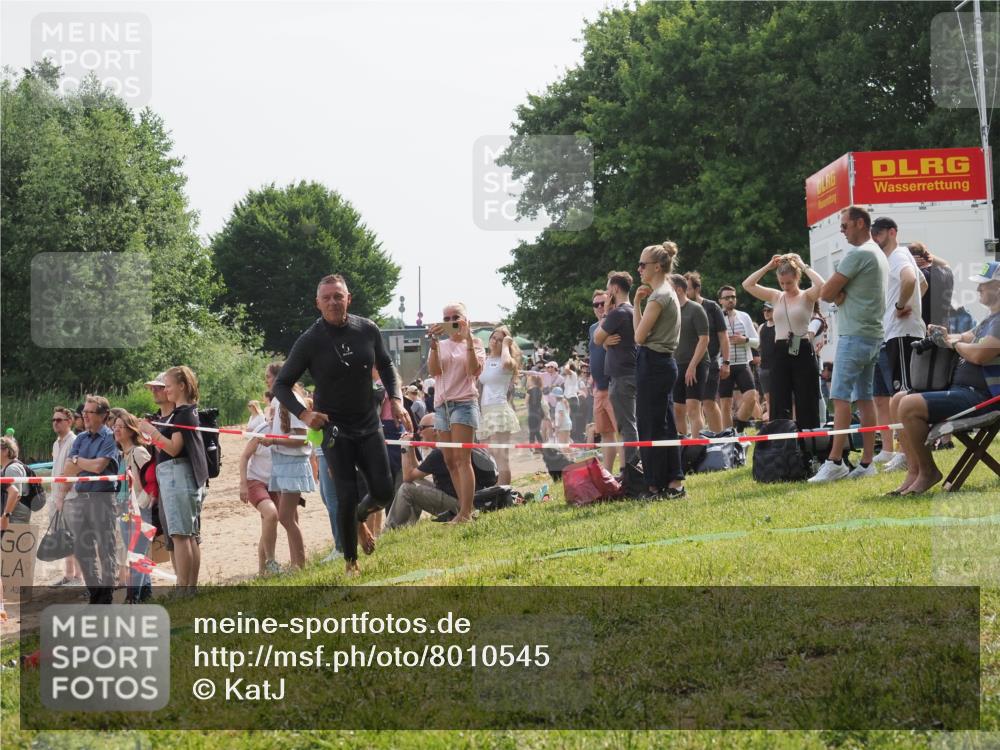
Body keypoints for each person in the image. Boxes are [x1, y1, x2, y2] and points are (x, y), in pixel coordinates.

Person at [274, 275, 409, 576]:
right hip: (334, 428)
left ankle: (359, 518)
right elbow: (282, 385)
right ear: (318, 303)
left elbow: (385, 365)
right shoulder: (310, 340)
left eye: (338, 296)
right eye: (327, 298)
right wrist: (305, 415)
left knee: (384, 492)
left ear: (349, 298)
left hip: (368, 422)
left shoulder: (367, 329)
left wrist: (396, 399)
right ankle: (351, 562)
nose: (333, 302)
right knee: (345, 494)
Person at [889, 262, 1000, 494]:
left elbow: (980, 355)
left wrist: (955, 343)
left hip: (984, 398)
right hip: (965, 391)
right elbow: (966, 337)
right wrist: (946, 336)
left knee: (908, 405)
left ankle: (929, 472)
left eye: (983, 285)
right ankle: (915, 471)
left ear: (998, 287)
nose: (978, 290)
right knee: (897, 399)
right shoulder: (989, 320)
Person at [814, 205, 890, 482]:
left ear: (860, 223)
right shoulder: (877, 253)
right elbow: (834, 293)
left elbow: (825, 292)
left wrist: (838, 294)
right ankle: (867, 462)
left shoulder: (859, 254)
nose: (842, 231)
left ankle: (835, 461)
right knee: (865, 399)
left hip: (854, 334)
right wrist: (840, 294)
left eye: (845, 226)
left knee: (840, 397)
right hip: (872, 335)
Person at [140, 367, 208, 592]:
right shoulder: (186, 412)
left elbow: (174, 448)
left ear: (182, 386)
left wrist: (153, 433)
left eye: (168, 385)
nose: (165, 390)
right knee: (188, 536)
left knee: (181, 535)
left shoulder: (183, 413)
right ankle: (190, 589)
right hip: (182, 476)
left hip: (179, 476)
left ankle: (184, 587)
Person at [742, 253, 825, 430]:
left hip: (801, 347)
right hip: (780, 350)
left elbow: (822, 285)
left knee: (806, 398)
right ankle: (781, 443)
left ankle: (809, 444)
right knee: (779, 399)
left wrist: (802, 265)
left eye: (789, 282)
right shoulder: (775, 296)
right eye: (782, 283)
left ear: (797, 278)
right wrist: (768, 266)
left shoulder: (807, 296)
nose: (785, 287)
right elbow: (747, 284)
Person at [869, 217, 927, 470]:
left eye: (879, 233)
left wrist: (902, 306)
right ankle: (905, 453)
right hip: (898, 334)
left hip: (902, 334)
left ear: (892, 232)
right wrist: (911, 304)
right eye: (873, 234)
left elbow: (911, 281)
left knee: (903, 397)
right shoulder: (900, 256)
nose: (875, 238)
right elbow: (922, 283)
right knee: (901, 395)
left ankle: (906, 454)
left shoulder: (898, 256)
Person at [631, 242, 685, 498]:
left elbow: (639, 337)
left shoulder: (660, 295)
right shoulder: (666, 291)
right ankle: (672, 482)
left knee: (651, 425)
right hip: (662, 362)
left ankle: (655, 484)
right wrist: (637, 303)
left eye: (642, 264)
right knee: (665, 425)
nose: (639, 269)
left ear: (657, 266)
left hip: (654, 362)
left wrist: (639, 304)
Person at [427, 302, 486, 523]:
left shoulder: (477, 343)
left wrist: (468, 338)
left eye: (456, 317)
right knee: (450, 460)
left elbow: (473, 370)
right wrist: (433, 345)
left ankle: (465, 512)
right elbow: (434, 372)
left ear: (465, 319)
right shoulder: (440, 345)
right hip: (442, 405)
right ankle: (465, 508)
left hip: (463, 403)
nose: (451, 321)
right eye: (447, 317)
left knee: (463, 459)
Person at [385, 415, 497, 529]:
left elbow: (407, 477)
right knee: (414, 483)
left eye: (421, 427)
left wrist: (404, 447)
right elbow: (416, 473)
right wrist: (411, 449)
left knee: (407, 489)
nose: (418, 432)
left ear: (434, 429)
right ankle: (405, 526)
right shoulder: (450, 446)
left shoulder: (439, 453)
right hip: (473, 501)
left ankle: (390, 529)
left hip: (461, 506)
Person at [61, 396, 120, 604]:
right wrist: (80, 463)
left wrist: (78, 461)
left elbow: (98, 467)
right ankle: (96, 596)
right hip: (81, 498)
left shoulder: (110, 437)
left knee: (106, 549)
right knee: (82, 550)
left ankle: (106, 598)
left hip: (102, 499)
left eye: (89, 412)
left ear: (103, 416)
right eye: (84, 412)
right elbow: (69, 469)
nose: (84, 415)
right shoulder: (81, 439)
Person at [594, 271, 640, 467]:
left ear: (614, 289)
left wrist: (605, 313)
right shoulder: (633, 311)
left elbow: (597, 337)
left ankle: (631, 468)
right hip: (631, 372)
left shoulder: (617, 313)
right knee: (629, 424)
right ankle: (632, 466)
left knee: (626, 426)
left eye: (607, 288)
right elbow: (603, 343)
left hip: (621, 376)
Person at [111, 410, 153, 604]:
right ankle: (146, 594)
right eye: (115, 426)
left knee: (136, 554)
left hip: (140, 512)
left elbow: (152, 482)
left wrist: (142, 505)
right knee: (135, 554)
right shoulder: (122, 454)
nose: (116, 429)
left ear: (130, 429)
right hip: (125, 512)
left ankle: (132, 597)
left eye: (120, 426)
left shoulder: (138, 452)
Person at [239, 391, 282, 576]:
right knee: (271, 514)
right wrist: (242, 484)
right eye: (271, 413)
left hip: (275, 483)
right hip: (255, 480)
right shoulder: (261, 430)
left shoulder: (285, 432)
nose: (273, 417)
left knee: (269, 523)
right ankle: (272, 562)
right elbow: (244, 457)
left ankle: (262, 570)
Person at [686, 272, 731, 433]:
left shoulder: (712, 307)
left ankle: (719, 441)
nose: (685, 292)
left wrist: (726, 362)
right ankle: (699, 443)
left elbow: (724, 337)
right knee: (693, 406)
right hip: (687, 363)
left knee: (709, 402)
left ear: (697, 289)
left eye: (688, 288)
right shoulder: (681, 308)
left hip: (710, 361)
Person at [479, 325, 521, 485]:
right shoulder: (486, 360)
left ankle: (504, 487)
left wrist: (506, 345)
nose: (495, 341)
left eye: (500, 339)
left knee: (500, 453)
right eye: (494, 338)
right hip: (486, 410)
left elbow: (505, 363)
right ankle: (500, 485)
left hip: (499, 409)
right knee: (491, 451)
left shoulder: (507, 361)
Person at [669, 274, 709, 437]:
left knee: (693, 407)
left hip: (696, 363)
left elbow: (704, 339)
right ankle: (683, 449)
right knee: (678, 409)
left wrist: (692, 366)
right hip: (677, 364)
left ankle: (697, 447)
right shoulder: (671, 311)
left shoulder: (696, 309)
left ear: (678, 290)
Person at [717, 285, 760, 431]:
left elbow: (757, 341)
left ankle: (738, 423)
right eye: (727, 297)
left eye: (733, 297)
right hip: (723, 365)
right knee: (725, 403)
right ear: (720, 301)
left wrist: (745, 340)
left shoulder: (744, 316)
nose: (730, 300)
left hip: (743, 363)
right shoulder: (716, 318)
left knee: (752, 398)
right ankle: (728, 438)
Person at [49, 406, 83, 587]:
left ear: (69, 422)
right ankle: (69, 574)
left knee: (75, 537)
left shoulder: (74, 441)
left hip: (71, 496)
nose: (55, 423)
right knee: (62, 537)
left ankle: (78, 576)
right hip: (56, 494)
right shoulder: (56, 443)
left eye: (59, 420)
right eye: (53, 420)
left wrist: (62, 495)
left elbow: (73, 471)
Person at [588, 289, 619, 469]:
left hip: (614, 385)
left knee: (621, 432)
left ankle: (626, 471)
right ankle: (608, 473)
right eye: (596, 304)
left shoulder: (616, 322)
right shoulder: (592, 328)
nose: (600, 307)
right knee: (606, 433)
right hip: (598, 388)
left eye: (603, 303)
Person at [909, 241, 954, 328]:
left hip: (925, 328)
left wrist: (909, 261)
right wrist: (930, 257)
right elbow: (945, 263)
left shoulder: (919, 276)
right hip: (944, 327)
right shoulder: (946, 271)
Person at [0, 437, 32, 531]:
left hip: (15, 516)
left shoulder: (11, 469)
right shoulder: (9, 467)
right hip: (14, 515)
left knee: (14, 545)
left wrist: (5, 515)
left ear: (5, 451)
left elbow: (16, 494)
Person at [756, 303, 776, 419]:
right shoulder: (761, 327)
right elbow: (759, 345)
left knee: (782, 397)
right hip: (764, 368)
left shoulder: (780, 325)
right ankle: (773, 423)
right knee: (768, 399)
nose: (766, 312)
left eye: (769, 310)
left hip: (778, 367)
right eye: (764, 310)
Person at [525, 371, 545, 445]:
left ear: (532, 381)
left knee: (532, 430)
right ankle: (541, 445)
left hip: (532, 412)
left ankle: (531, 446)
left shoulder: (529, 390)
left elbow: (526, 402)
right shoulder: (540, 390)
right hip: (539, 411)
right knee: (537, 430)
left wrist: (528, 409)